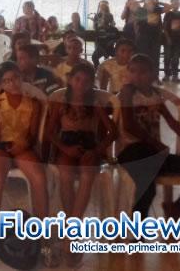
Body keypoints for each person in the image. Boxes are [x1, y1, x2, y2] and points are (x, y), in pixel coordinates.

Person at [0, 61, 48, 267]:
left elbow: (33, 136)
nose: (12, 83)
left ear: (21, 77)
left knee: (39, 178)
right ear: (1, 84)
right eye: (6, 81)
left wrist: (21, 146)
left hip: (24, 145)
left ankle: (44, 241)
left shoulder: (33, 103)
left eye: (15, 78)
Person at [118, 54, 180, 219]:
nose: (137, 76)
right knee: (148, 189)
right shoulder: (127, 92)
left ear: (153, 74)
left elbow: (173, 123)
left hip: (153, 153)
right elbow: (129, 125)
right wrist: (156, 145)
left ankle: (177, 207)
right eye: (133, 71)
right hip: (131, 152)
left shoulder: (156, 96)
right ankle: (136, 237)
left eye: (143, 72)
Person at [47, 63, 117, 265]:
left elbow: (113, 131)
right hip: (66, 146)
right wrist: (65, 148)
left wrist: (96, 150)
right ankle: (73, 232)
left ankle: (70, 235)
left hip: (89, 147)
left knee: (87, 176)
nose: (81, 85)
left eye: (87, 82)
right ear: (70, 80)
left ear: (91, 84)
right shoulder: (61, 102)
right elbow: (50, 133)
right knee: (66, 175)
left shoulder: (94, 104)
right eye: (77, 79)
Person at [134, 0, 170, 74]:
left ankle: (155, 77)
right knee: (142, 57)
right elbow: (137, 24)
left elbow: (169, 7)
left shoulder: (157, 10)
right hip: (143, 38)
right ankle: (141, 74)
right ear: (145, 3)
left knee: (155, 58)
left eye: (152, 3)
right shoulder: (142, 11)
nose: (150, 4)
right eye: (148, 3)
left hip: (155, 37)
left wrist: (158, 2)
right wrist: (141, 1)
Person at [162, 0, 180, 83]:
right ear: (171, 4)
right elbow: (164, 27)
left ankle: (175, 75)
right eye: (174, 3)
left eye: (178, 3)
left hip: (178, 40)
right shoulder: (168, 14)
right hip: (168, 39)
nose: (176, 5)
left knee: (176, 58)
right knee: (167, 57)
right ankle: (167, 75)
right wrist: (168, 38)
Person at [90, 0, 117, 68]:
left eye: (103, 6)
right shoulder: (97, 15)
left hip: (109, 43)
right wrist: (96, 23)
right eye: (101, 6)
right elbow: (95, 28)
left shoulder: (110, 15)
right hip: (100, 42)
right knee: (95, 56)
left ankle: (112, 66)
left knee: (114, 55)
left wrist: (110, 25)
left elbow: (113, 28)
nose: (102, 8)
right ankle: (99, 69)